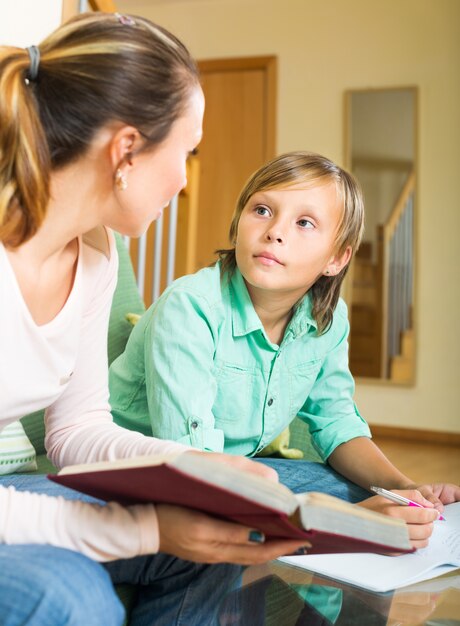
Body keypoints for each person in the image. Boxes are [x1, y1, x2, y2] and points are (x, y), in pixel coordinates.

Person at [0, 13, 308, 626]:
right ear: (127, 150)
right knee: (66, 593)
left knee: (216, 544)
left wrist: (188, 465)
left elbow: (76, 429)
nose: (186, 181)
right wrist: (141, 527)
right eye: (186, 151)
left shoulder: (95, 256)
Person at [109, 151, 460, 549]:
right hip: (146, 472)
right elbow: (196, 466)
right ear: (237, 224)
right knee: (359, 516)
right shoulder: (191, 307)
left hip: (238, 468)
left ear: (336, 258)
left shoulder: (328, 319)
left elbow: (336, 422)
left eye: (304, 223)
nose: (275, 231)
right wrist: (351, 520)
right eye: (261, 210)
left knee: (379, 504)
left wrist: (405, 487)